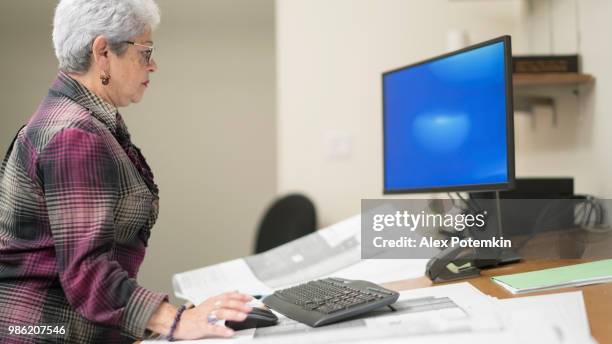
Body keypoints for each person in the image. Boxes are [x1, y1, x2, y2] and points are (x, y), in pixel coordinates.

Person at [0, 0, 252, 342]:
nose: (154, 65)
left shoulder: (76, 119)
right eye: (145, 52)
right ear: (103, 52)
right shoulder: (74, 135)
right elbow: (88, 273)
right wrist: (178, 320)